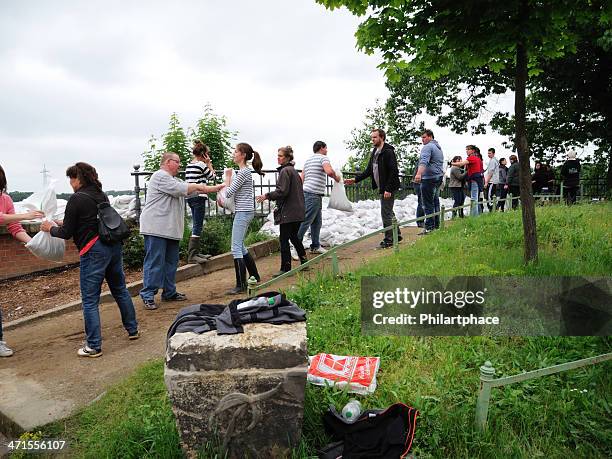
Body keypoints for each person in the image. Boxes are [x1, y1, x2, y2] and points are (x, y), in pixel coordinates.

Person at [40, 162, 138, 358]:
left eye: (71, 178)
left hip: (93, 251)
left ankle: (93, 346)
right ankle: (132, 329)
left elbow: (66, 233)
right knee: (119, 290)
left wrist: (48, 228)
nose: (70, 182)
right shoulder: (100, 195)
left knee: (90, 300)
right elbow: (88, 221)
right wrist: (60, 222)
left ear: (79, 179)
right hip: (112, 247)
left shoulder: (76, 199)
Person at [139, 152, 224, 310]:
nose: (180, 165)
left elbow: (192, 190)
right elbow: (182, 188)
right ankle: (148, 295)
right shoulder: (160, 176)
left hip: (170, 229)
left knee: (171, 262)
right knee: (155, 262)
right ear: (168, 162)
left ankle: (169, 292)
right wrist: (201, 186)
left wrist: (217, 188)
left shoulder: (174, 179)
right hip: (156, 228)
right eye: (177, 162)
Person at [0, 165, 44, 357]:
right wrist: (25, 215)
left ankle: (0, 341)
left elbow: (15, 228)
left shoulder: (6, 199)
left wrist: (34, 244)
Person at [256, 146, 307, 276]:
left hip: (289, 212)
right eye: (278, 155)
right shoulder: (293, 171)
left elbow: (282, 191)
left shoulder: (285, 171)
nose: (278, 158)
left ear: (288, 157)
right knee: (293, 236)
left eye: (281, 156)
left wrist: (266, 195)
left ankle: (285, 268)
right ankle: (304, 261)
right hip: (298, 210)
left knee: (284, 238)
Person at [345, 130, 401, 247]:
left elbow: (393, 171)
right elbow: (369, 171)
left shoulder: (388, 152)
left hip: (388, 187)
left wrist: (388, 189)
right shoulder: (375, 151)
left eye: (375, 137)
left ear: (382, 137)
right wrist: (355, 180)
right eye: (372, 138)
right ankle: (397, 234)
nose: (372, 140)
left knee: (385, 212)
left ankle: (389, 239)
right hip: (383, 187)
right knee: (388, 210)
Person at [224, 143, 263, 294]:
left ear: (243, 155)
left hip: (243, 211)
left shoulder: (243, 172)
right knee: (240, 246)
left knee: (235, 247)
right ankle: (254, 275)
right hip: (246, 210)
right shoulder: (244, 172)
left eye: (235, 152)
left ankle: (240, 285)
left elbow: (228, 193)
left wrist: (227, 178)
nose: (233, 154)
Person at [296, 141, 340, 255]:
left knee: (316, 222)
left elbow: (301, 179)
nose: (327, 150)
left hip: (309, 193)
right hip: (313, 195)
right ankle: (296, 247)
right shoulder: (323, 158)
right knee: (306, 221)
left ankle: (315, 246)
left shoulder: (308, 161)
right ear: (321, 148)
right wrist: (336, 177)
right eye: (326, 148)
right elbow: (329, 171)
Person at [185, 140, 216, 263]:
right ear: (204, 154)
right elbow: (212, 177)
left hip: (190, 197)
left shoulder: (189, 165)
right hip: (199, 196)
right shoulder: (201, 165)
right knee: (198, 225)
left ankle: (196, 253)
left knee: (195, 224)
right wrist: (209, 163)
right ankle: (192, 255)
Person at [414, 129, 444, 234]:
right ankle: (436, 225)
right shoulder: (438, 148)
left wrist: (418, 174)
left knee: (427, 204)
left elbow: (423, 161)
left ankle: (429, 227)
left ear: (430, 137)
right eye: (422, 137)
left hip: (429, 178)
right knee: (435, 202)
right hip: (438, 177)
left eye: (424, 137)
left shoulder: (428, 147)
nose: (422, 140)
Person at [452, 145, 484, 217]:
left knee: (474, 198)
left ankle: (474, 216)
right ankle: (478, 214)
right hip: (478, 180)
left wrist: (452, 163)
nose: (467, 151)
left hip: (474, 180)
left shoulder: (472, 158)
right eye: (466, 149)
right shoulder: (478, 159)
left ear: (473, 151)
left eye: (468, 149)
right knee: (477, 198)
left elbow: (461, 164)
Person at [484, 148, 500, 212]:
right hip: (494, 181)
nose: (488, 154)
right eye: (488, 153)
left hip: (491, 181)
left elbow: (491, 172)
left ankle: (492, 210)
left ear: (493, 153)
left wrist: (486, 182)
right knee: (493, 195)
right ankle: (494, 209)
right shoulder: (495, 160)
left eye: (490, 153)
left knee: (489, 196)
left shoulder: (492, 161)